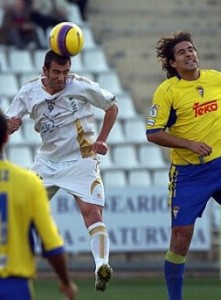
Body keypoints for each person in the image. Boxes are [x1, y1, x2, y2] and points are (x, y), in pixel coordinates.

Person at [5, 50, 118, 292]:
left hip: (81, 159)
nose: (61, 77)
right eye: (56, 72)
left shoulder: (80, 86)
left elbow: (112, 106)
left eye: (66, 72)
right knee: (17, 209)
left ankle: (101, 266)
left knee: (92, 212)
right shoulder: (29, 92)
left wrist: (102, 139)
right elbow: (6, 124)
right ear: (44, 71)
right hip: (47, 162)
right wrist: (10, 126)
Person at [146, 30, 221, 300]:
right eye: (181, 52)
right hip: (190, 174)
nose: (189, 54)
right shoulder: (167, 92)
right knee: (181, 237)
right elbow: (153, 133)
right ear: (172, 63)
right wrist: (189, 144)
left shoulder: (215, 79)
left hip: (220, 164)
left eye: (191, 49)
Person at [0, 110, 77, 299]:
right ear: (5, 139)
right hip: (13, 286)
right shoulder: (27, 183)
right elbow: (52, 245)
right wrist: (66, 282)